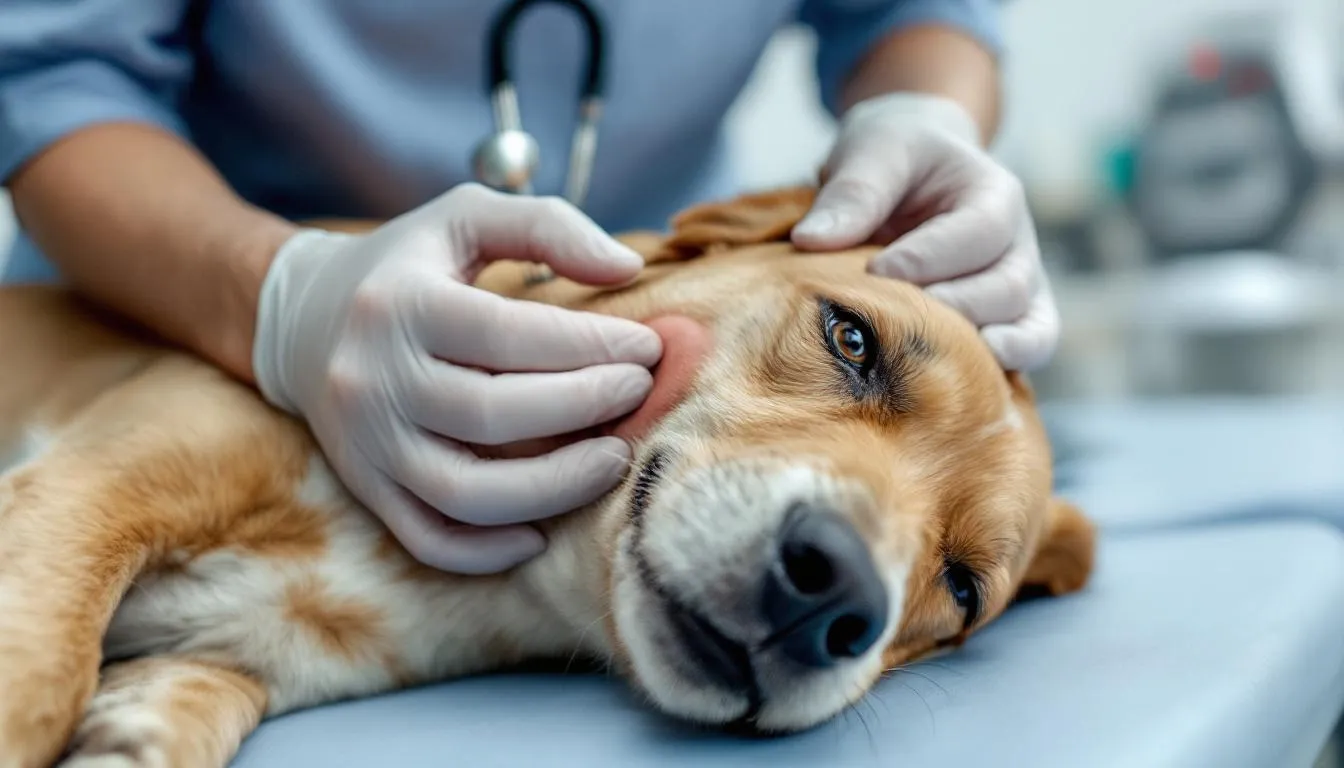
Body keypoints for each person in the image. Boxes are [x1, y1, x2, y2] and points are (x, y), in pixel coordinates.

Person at [0, 1, 1058, 575]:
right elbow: (53, 74)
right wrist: (281, 302)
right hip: (151, 311)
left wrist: (925, 112)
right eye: (851, 350)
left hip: (648, 424)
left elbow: (915, 11)